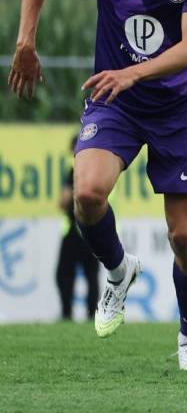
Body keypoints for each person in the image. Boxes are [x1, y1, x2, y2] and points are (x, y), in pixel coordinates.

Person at [7, 0, 187, 370]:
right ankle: (120, 270)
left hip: (179, 106)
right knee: (86, 194)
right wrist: (25, 43)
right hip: (117, 102)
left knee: (183, 236)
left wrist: (129, 72)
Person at [55, 136, 100, 322]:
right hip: (95, 230)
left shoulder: (74, 171)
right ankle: (92, 316)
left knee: (64, 275)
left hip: (76, 231)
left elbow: (63, 202)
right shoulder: (101, 170)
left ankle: (67, 314)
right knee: (91, 276)